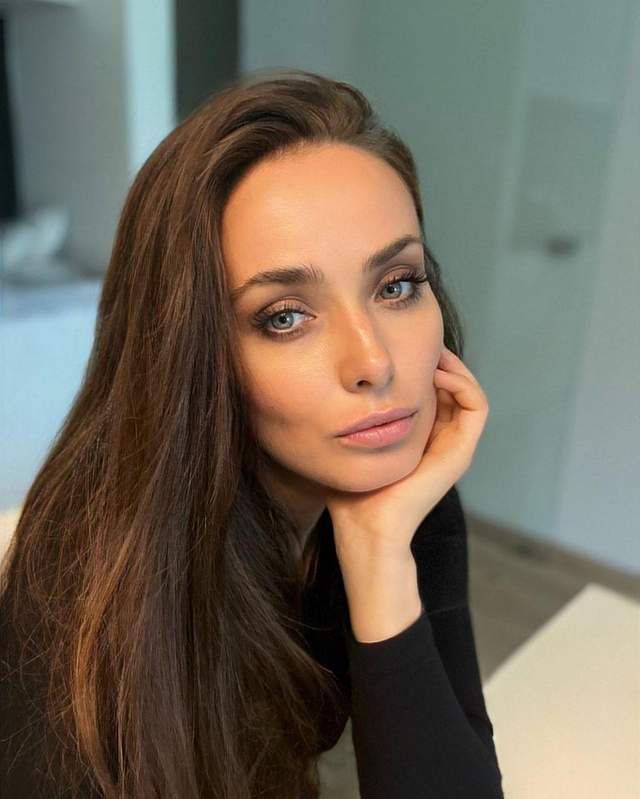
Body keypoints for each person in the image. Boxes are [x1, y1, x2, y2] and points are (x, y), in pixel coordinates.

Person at [0, 68, 503, 798]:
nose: (374, 363)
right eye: (285, 317)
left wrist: (377, 553)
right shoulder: (100, 611)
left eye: (396, 285)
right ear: (192, 354)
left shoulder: (395, 489)